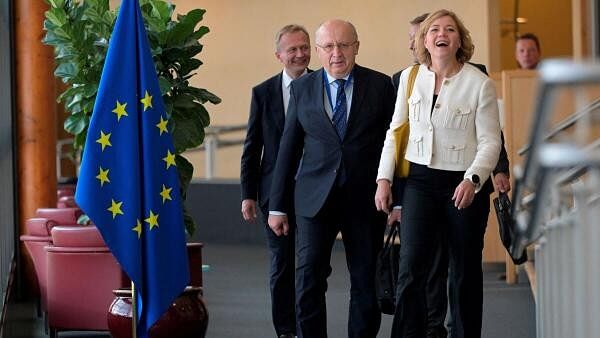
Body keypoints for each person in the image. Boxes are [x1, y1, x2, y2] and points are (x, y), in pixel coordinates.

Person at [374, 9, 501, 338]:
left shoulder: (479, 83)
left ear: (459, 40)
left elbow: (491, 142)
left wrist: (473, 179)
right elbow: (395, 130)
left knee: (464, 271)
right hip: (419, 182)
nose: (441, 33)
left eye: (449, 29)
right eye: (434, 30)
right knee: (411, 266)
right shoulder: (410, 77)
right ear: (424, 40)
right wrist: (384, 179)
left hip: (462, 184)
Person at [268, 19, 396, 338]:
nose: (336, 53)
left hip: (365, 200)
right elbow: (288, 149)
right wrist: (278, 206)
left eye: (343, 45)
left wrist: (399, 197)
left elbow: (394, 143)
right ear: (319, 51)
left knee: (365, 280)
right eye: (328, 46)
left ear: (356, 47)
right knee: (308, 278)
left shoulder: (380, 86)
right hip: (313, 200)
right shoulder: (301, 88)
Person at [240, 24, 311, 338]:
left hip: (314, 191)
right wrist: (248, 194)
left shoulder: (323, 85)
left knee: (311, 265)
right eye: (292, 49)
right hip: (273, 195)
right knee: (282, 264)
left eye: (304, 47)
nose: (299, 54)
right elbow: (252, 147)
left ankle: (308, 325)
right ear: (279, 55)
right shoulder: (263, 92)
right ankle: (285, 330)